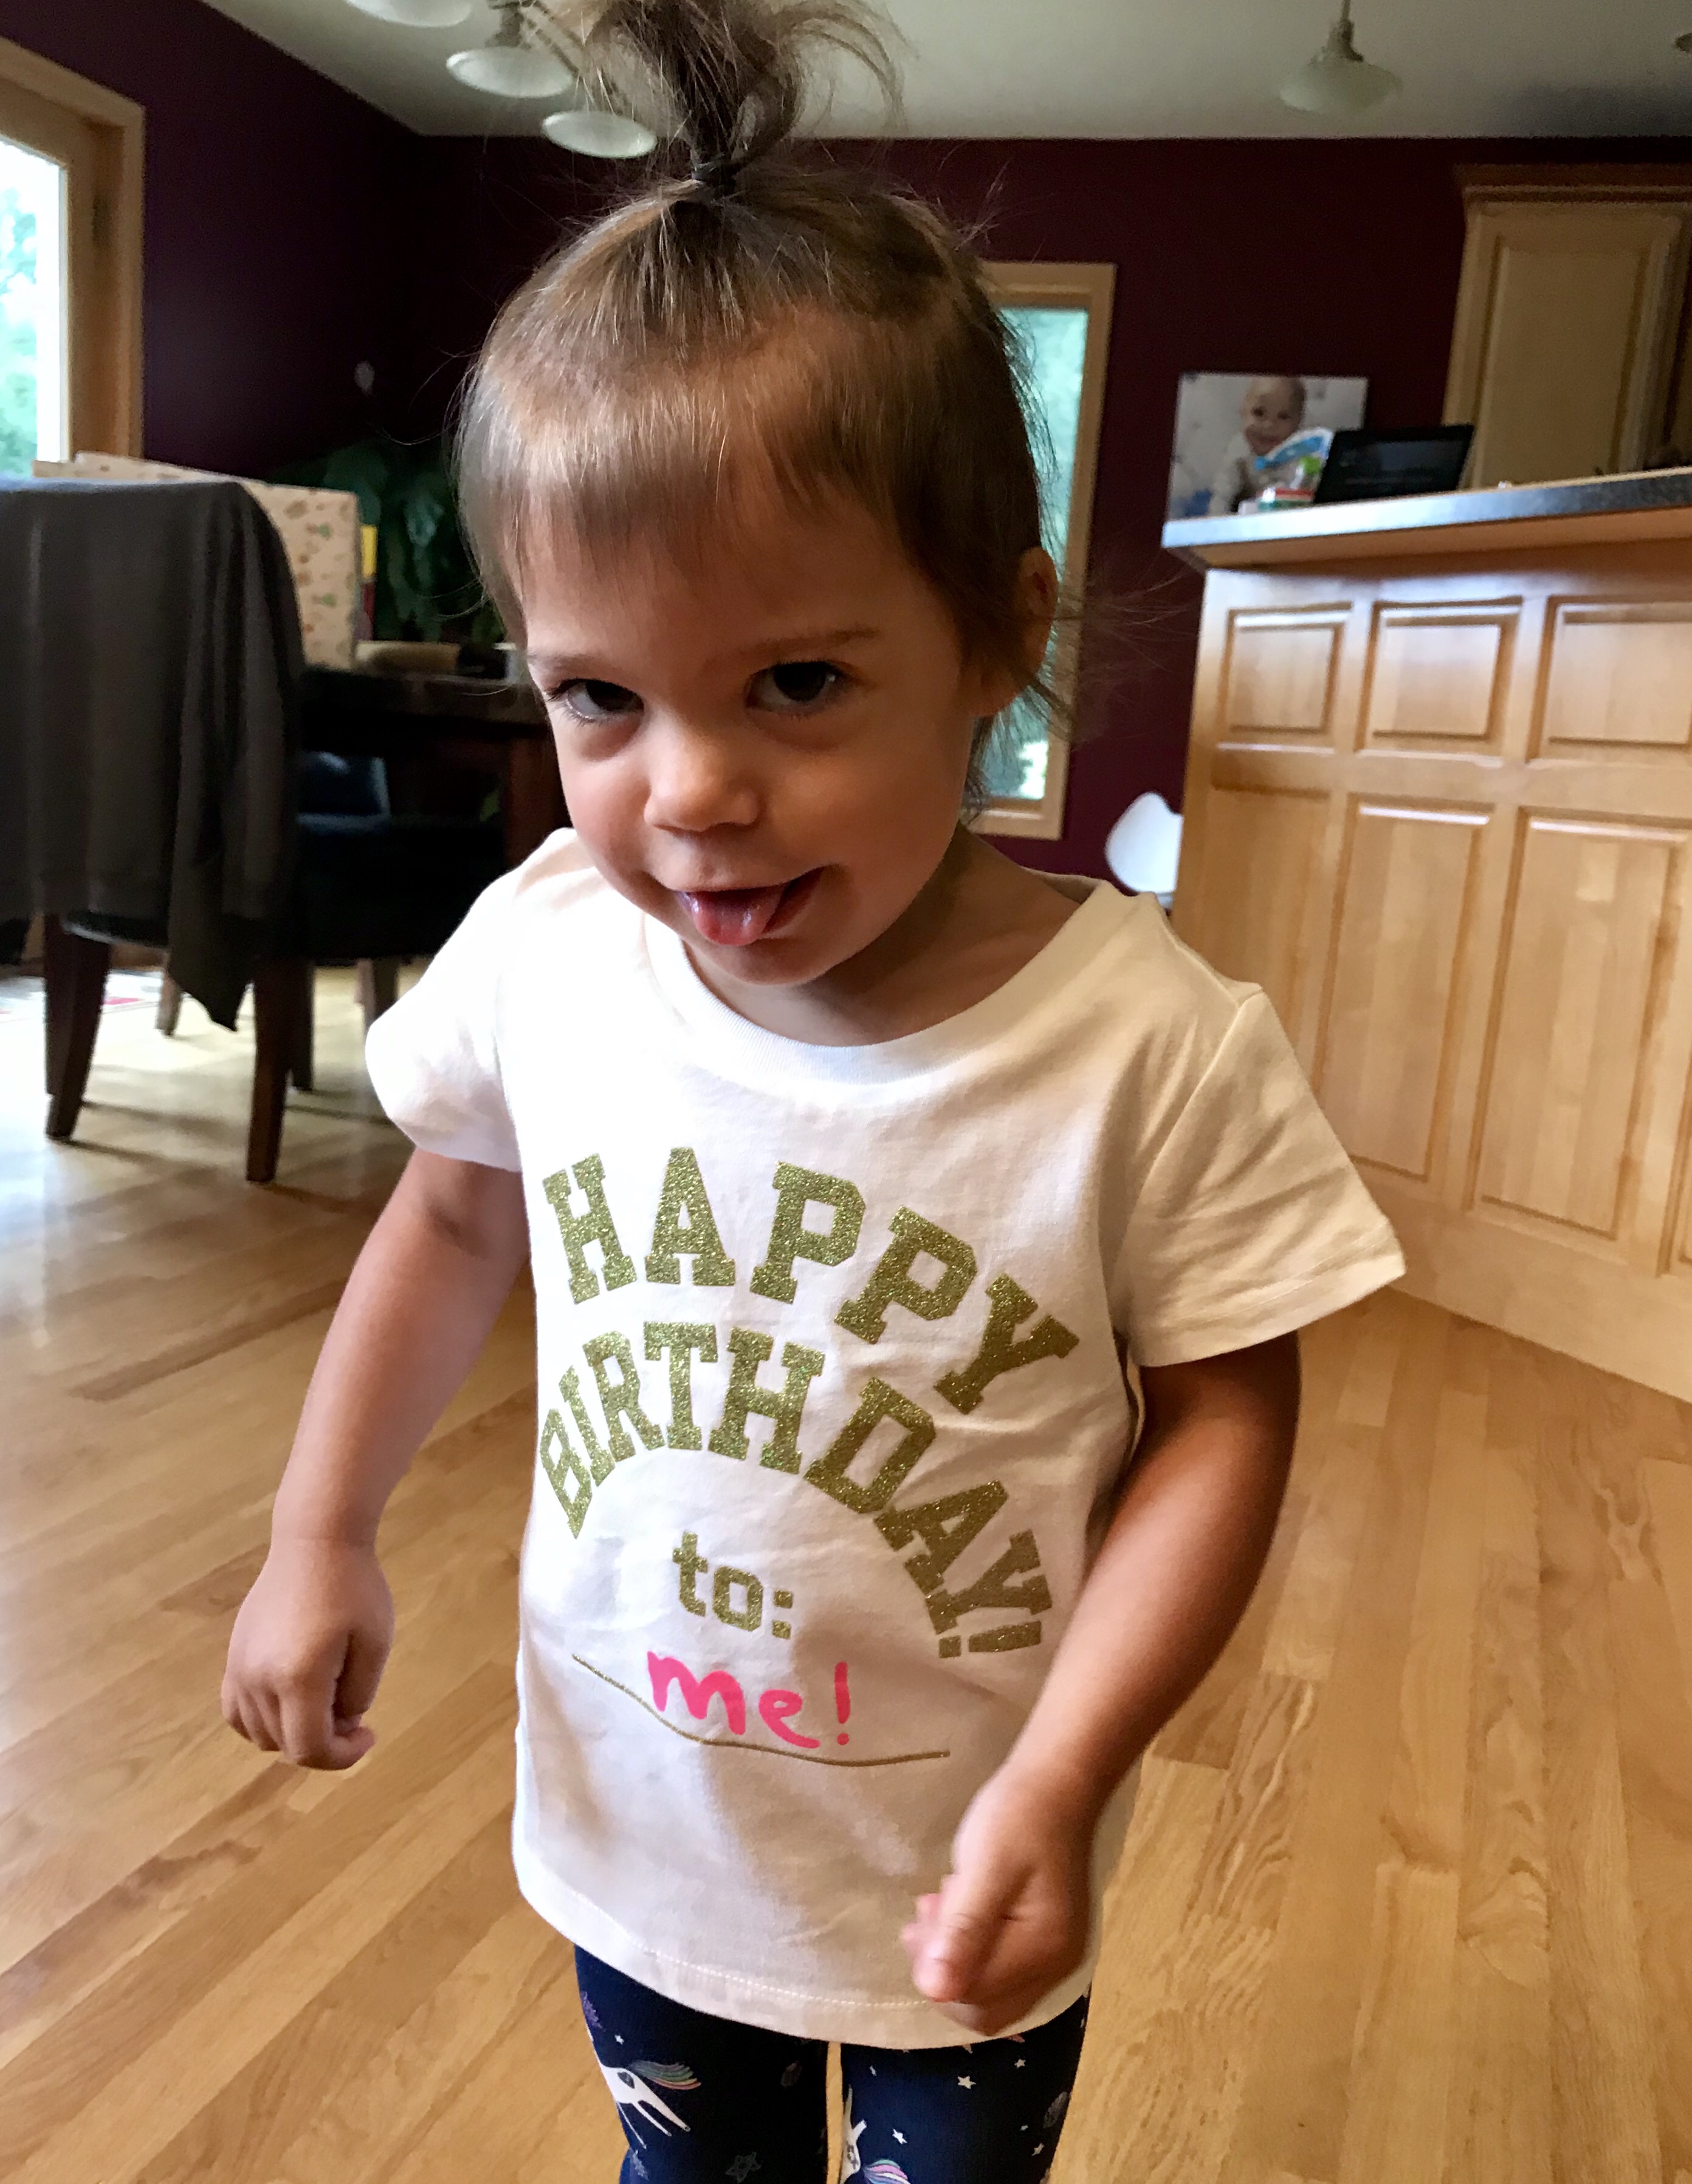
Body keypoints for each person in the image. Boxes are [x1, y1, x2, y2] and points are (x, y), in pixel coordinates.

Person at [221, 5, 1403, 2176]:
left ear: (996, 640)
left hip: (972, 1851)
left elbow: (1230, 1414)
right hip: (641, 1822)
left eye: (793, 680)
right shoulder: (553, 952)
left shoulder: (1146, 1048)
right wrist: (319, 1525)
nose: (688, 791)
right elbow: (454, 1210)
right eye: (600, 695)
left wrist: (1066, 1767)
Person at [1207, 374, 1308, 514]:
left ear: (1298, 424)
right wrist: (1216, 521)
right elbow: (1222, 494)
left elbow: (1286, 498)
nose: (1269, 425)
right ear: (1243, 411)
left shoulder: (1296, 457)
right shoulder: (1239, 449)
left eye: (1283, 417)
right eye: (1259, 413)